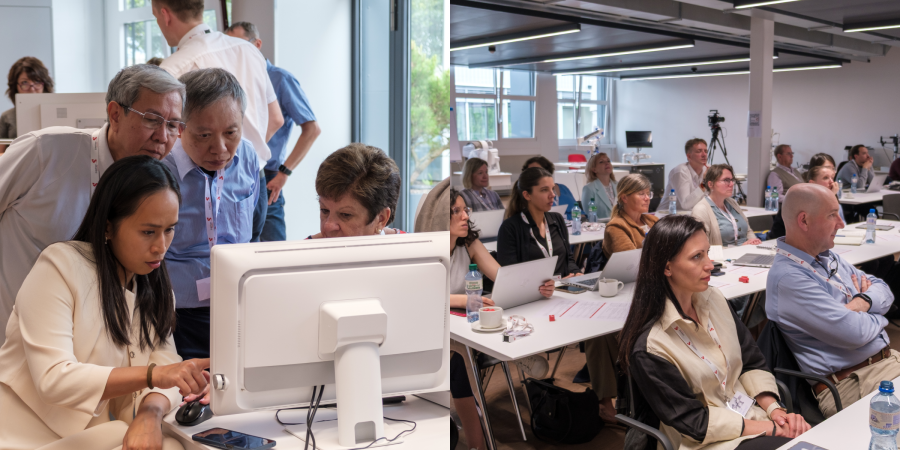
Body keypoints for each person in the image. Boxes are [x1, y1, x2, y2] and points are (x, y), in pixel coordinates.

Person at [0, 156, 210, 450]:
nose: (161, 246)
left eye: (169, 229)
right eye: (148, 232)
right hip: (22, 438)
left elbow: (166, 364)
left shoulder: (155, 288)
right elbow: (53, 380)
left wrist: (149, 415)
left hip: (96, 437)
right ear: (108, 227)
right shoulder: (59, 266)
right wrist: (154, 375)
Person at [0, 64, 184, 348]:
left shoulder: (158, 181)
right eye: (152, 120)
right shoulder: (46, 151)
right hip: (17, 340)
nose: (163, 136)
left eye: (173, 125)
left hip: (96, 349)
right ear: (115, 114)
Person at [618, 215, 809, 450]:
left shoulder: (714, 298)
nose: (710, 264)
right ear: (667, 267)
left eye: (707, 253)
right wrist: (772, 429)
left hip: (754, 419)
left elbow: (751, 363)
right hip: (708, 441)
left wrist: (776, 412)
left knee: (808, 439)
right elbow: (694, 423)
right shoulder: (651, 346)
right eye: (697, 257)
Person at [152, 0, 285, 243]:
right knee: (246, 254)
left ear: (164, 15)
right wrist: (241, 157)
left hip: (196, 182)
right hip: (253, 176)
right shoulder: (249, 50)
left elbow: (158, 138)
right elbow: (276, 119)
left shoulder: (172, 69)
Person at [766, 183, 900, 418]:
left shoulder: (828, 257)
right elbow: (855, 333)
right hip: (854, 383)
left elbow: (885, 291)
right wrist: (880, 317)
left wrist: (862, 303)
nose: (841, 223)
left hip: (887, 361)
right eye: (832, 215)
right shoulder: (789, 278)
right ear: (804, 220)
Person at [162, 68, 260, 360]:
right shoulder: (161, 168)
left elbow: (255, 229)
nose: (220, 149)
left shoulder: (248, 157)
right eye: (204, 135)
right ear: (180, 127)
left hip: (239, 305)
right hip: (176, 314)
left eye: (231, 133)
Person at [449, 188, 553, 450]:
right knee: (460, 358)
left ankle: (510, 351)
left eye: (465, 210)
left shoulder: (468, 242)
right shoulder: (430, 249)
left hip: (466, 320)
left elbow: (503, 277)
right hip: (439, 325)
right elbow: (425, 295)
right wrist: (463, 300)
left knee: (495, 320)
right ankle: (478, 443)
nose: (465, 216)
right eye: (456, 211)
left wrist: (539, 284)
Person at [225, 21, 321, 242]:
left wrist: (284, 173)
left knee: (272, 251)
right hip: (235, 173)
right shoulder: (232, 80)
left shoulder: (280, 79)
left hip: (267, 177)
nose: (234, 52)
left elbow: (312, 129)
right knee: (237, 247)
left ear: (257, 44)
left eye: (239, 45)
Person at [496, 167, 581, 278]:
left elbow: (568, 259)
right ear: (527, 195)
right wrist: (547, 285)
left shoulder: (557, 219)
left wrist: (576, 273)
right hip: (532, 289)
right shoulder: (510, 227)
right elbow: (510, 275)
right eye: (544, 190)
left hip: (563, 286)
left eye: (552, 189)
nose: (552, 195)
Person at [309, 143, 404, 238]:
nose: (328, 226)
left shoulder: (411, 246)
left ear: (381, 219)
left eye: (345, 215)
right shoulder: (304, 247)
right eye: (324, 210)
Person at [692, 164, 761, 247]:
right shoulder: (701, 210)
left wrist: (753, 242)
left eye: (732, 180)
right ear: (711, 184)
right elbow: (702, 246)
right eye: (726, 180)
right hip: (724, 254)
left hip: (746, 251)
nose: (731, 184)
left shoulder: (732, 203)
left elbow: (748, 230)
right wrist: (739, 249)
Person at [769, 165, 844, 240]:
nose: (831, 182)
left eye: (832, 178)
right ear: (812, 183)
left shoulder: (827, 199)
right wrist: (831, 195)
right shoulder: (803, 200)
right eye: (826, 178)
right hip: (779, 241)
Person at [2, 57, 54, 154]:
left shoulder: (56, 113)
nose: (32, 89)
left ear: (44, 84)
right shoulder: (7, 117)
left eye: (37, 81)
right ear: (15, 87)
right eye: (24, 82)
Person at [603, 173, 660, 259]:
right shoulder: (615, 227)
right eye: (641, 194)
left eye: (648, 194)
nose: (647, 198)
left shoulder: (653, 220)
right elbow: (630, 262)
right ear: (624, 198)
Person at [661, 138, 708, 212]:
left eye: (706, 151)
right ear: (689, 156)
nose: (704, 154)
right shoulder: (680, 172)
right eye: (699, 151)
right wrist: (704, 184)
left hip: (692, 213)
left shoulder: (707, 169)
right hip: (668, 214)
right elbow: (685, 204)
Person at [581, 152, 617, 221]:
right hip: (601, 226)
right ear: (594, 169)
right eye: (601, 162)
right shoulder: (589, 188)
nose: (607, 163)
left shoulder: (619, 185)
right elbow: (590, 216)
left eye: (608, 161)